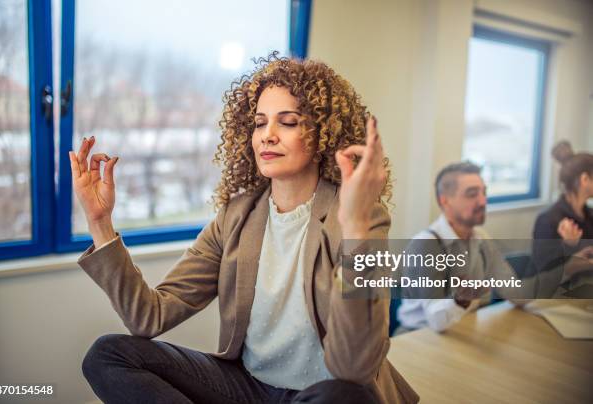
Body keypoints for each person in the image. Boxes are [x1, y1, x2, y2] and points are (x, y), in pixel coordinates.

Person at [70, 54, 419, 404]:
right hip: (249, 389)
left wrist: (357, 228)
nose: (267, 136)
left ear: (323, 134)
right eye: (259, 123)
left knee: (344, 396)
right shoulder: (236, 217)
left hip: (323, 394)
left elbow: (354, 368)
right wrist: (100, 223)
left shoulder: (359, 214)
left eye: (288, 122)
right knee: (109, 355)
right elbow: (149, 316)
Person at [397, 162, 529, 333]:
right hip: (417, 336)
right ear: (445, 201)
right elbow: (435, 321)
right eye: (472, 194)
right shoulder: (426, 245)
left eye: (484, 192)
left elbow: (514, 292)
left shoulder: (481, 239)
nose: (483, 201)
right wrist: (459, 301)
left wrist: (562, 270)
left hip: (462, 329)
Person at [532, 141, 593, 285]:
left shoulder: (590, 215)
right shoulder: (548, 219)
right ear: (585, 179)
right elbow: (544, 274)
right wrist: (569, 247)